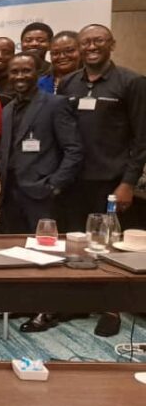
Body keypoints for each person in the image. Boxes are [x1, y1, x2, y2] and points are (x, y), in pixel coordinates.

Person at [56, 24, 146, 337]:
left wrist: (128, 182)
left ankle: (111, 308)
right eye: (86, 42)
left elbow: (141, 139)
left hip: (111, 180)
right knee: (75, 242)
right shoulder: (69, 83)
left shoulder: (131, 82)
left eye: (99, 41)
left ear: (112, 44)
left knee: (109, 245)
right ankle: (77, 301)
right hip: (73, 179)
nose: (92, 47)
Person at [0, 53, 83, 334]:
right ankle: (26, 302)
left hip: (42, 193)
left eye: (26, 71)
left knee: (47, 254)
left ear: (38, 73)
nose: (20, 76)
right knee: (19, 253)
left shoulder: (55, 104)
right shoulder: (7, 109)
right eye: (15, 72)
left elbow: (74, 150)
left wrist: (55, 184)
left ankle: (48, 310)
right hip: (10, 193)